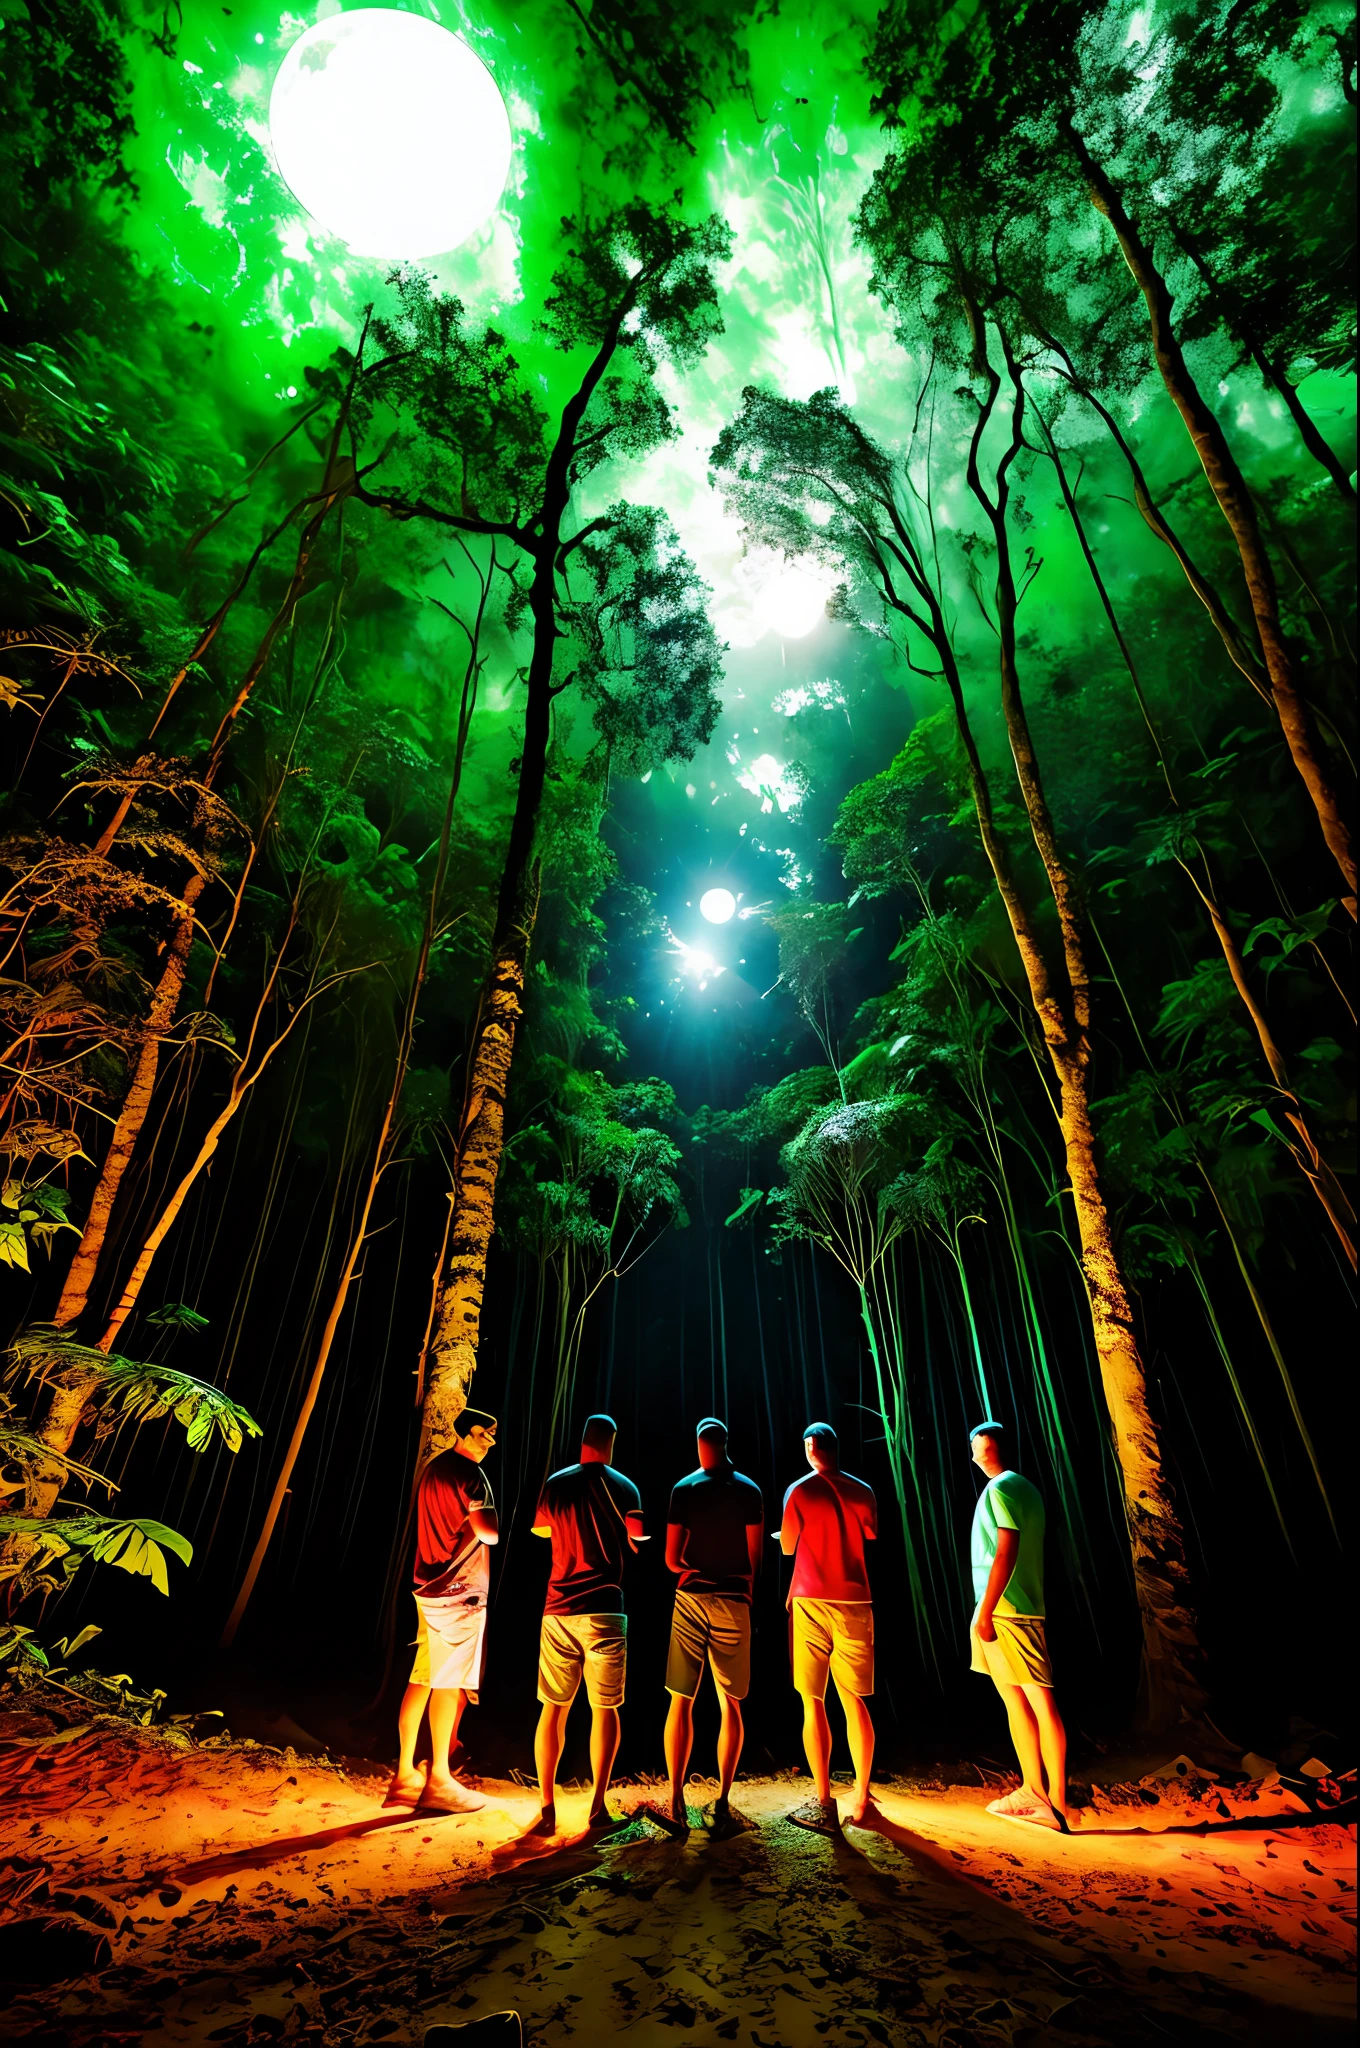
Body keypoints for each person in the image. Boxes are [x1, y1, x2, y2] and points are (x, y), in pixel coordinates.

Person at [641, 1417, 764, 1838]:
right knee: (731, 1703)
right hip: (734, 1601)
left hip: (692, 1598)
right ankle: (723, 1801)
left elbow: (671, 1559)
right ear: (727, 1443)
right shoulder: (749, 1489)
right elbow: (755, 1559)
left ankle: (676, 1798)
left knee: (681, 1699)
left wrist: (694, 1567)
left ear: (699, 1445)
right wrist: (740, 1585)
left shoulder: (684, 1488)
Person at [530, 1413, 646, 1835]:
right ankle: (597, 1806)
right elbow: (638, 1539)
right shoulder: (625, 1486)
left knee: (552, 1709)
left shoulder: (556, 1483)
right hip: (605, 1609)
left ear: (582, 1441)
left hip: (558, 1608)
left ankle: (546, 1805)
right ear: (611, 1442)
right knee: (606, 1709)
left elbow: (541, 1529)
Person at [388, 1405, 499, 1814]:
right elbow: (490, 1533)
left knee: (422, 1677)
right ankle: (440, 1779)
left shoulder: (434, 1468)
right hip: (460, 1590)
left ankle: (403, 1775)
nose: (492, 1440)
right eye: (487, 1432)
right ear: (469, 1432)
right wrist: (479, 1521)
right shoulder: (473, 1475)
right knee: (448, 1683)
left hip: (427, 1587)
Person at [967, 1419, 1077, 1831]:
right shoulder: (1025, 1487)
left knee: (1038, 1702)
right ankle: (1035, 1790)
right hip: (1015, 1606)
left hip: (1009, 1610)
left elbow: (1006, 1549)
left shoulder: (1000, 1488)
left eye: (981, 1440)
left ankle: (1058, 1802)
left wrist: (986, 1610)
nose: (977, 1446)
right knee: (1017, 1701)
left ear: (991, 1447)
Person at [779, 1421, 878, 1833]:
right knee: (854, 1700)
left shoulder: (799, 1490)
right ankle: (861, 1794)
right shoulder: (863, 1490)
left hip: (811, 1600)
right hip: (855, 1599)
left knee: (813, 1701)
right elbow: (869, 1534)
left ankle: (822, 1800)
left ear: (809, 1450)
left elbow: (787, 1545)